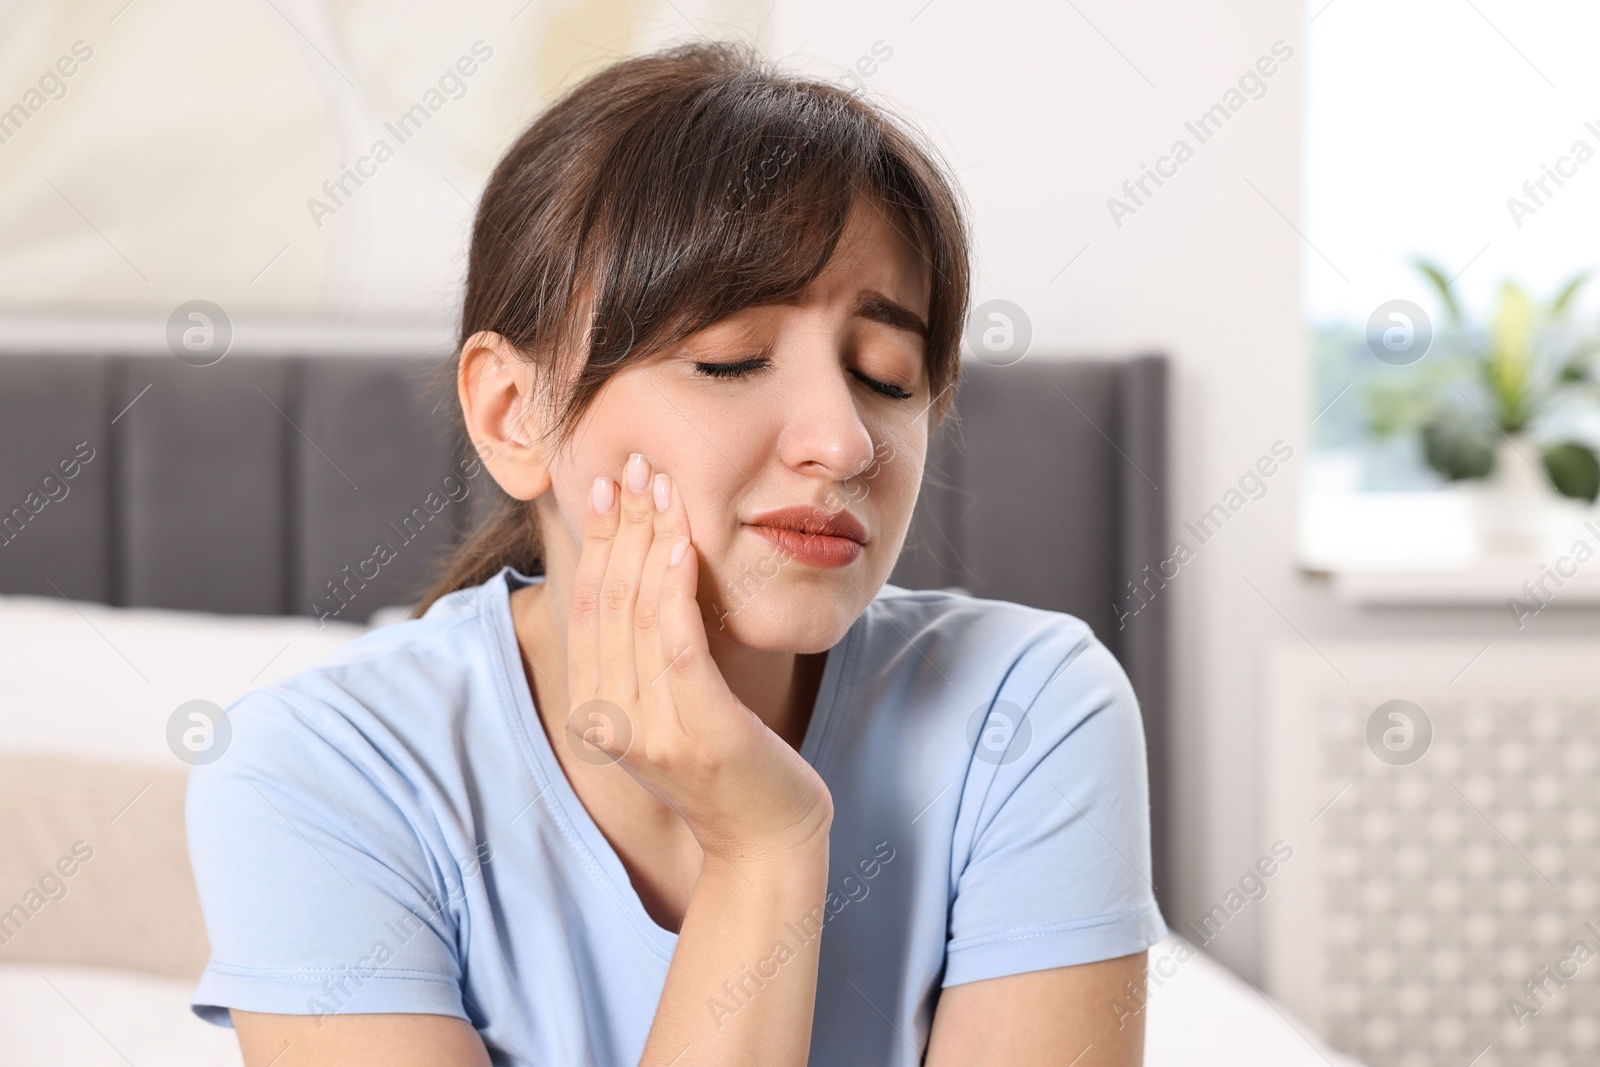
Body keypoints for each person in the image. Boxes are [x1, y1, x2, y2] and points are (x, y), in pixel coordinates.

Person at [186, 38, 1167, 1067]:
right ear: (515, 413)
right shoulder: (320, 772)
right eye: (730, 359)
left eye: (887, 373)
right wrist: (763, 853)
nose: (842, 440)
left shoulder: (1027, 712)